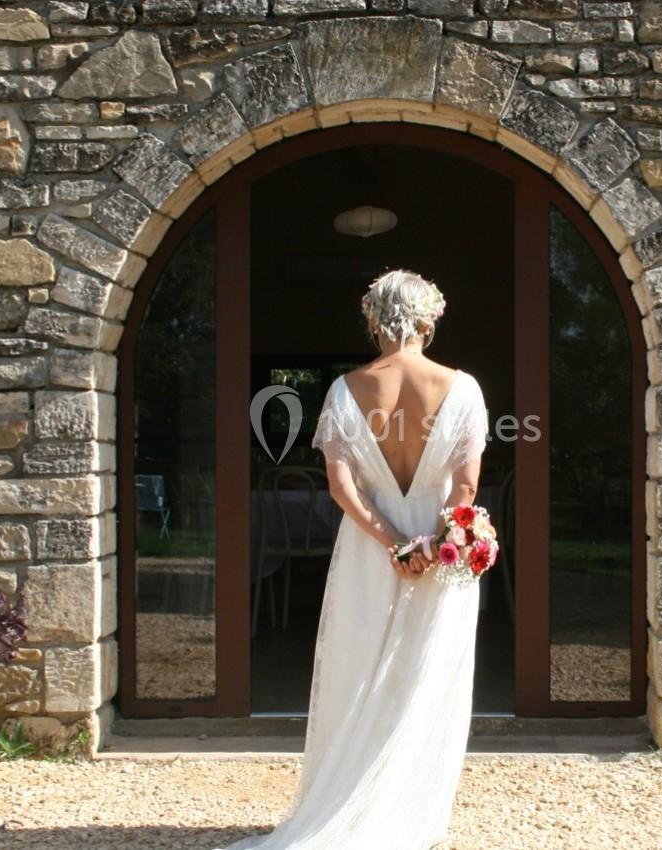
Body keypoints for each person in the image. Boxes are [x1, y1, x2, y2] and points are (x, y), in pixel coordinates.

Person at [213, 269, 489, 850]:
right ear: (429, 318)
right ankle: (408, 810)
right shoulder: (463, 389)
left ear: (373, 320)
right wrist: (432, 542)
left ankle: (349, 802)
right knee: (426, 672)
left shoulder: (345, 390)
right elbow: (465, 490)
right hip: (440, 554)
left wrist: (393, 542)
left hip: (370, 553)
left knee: (358, 671)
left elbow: (341, 488)